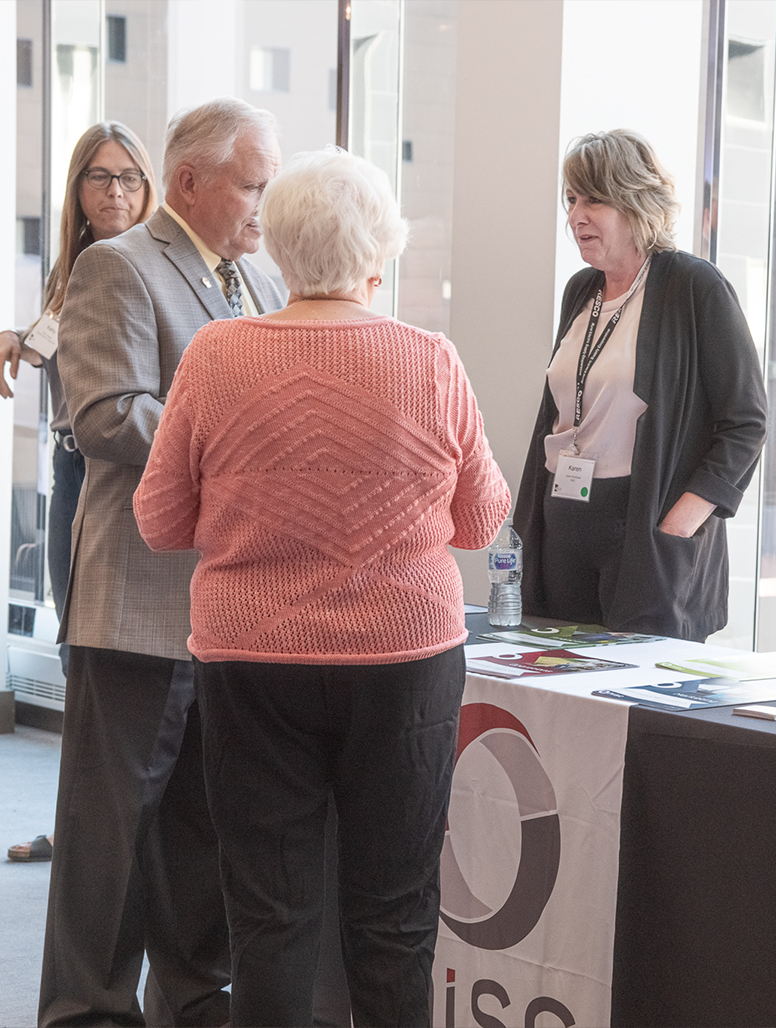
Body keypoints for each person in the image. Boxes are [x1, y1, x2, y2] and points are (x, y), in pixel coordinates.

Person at [133, 146, 510, 1028]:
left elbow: (158, 521)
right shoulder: (429, 359)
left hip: (250, 662)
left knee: (267, 918)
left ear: (276, 247)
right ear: (379, 251)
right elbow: (480, 521)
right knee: (394, 915)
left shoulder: (216, 357)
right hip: (404, 662)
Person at [39, 97, 283, 1028]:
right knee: (110, 834)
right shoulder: (119, 267)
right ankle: (87, 1010)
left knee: (200, 828)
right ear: (192, 182)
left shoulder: (256, 281)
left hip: (229, 606)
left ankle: (193, 998)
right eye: (252, 185)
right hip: (137, 601)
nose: (264, 204)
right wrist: (244, 448)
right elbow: (106, 416)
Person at [513, 129, 767, 641]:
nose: (576, 215)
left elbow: (745, 421)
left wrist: (679, 523)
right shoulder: (581, 290)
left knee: (635, 706)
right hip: (564, 518)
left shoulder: (694, 287)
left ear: (634, 200)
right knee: (560, 696)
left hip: (644, 525)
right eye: (571, 199)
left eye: (594, 199)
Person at [3, 121, 157, 865]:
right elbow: (47, 335)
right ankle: (79, 824)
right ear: (77, 189)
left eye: (129, 177)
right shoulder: (78, 266)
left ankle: (101, 828)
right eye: (100, 176)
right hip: (72, 472)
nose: (116, 191)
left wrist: (25, 341)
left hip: (120, 471)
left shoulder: (145, 267)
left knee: (105, 658)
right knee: (77, 652)